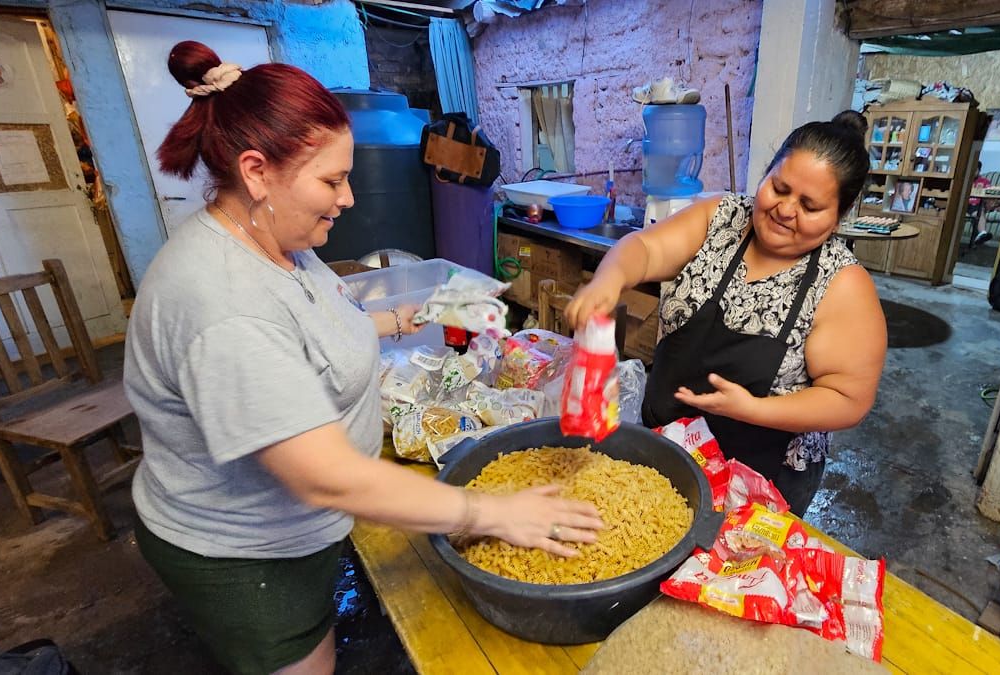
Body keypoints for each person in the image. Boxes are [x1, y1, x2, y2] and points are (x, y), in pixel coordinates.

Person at [124, 42, 604, 675]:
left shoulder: (278, 243)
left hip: (303, 527)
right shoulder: (222, 302)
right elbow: (319, 473)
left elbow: (321, 320)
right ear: (257, 171)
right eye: (331, 180)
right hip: (246, 554)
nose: (347, 199)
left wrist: (415, 316)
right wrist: (491, 511)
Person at [567, 111, 887, 514]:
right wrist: (607, 282)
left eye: (809, 205)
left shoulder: (842, 284)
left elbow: (848, 398)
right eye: (779, 187)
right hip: (666, 447)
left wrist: (753, 409)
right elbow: (644, 249)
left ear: (840, 214)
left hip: (758, 480)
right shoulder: (722, 218)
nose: (785, 210)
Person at [967, 162, 993, 247]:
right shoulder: (965, 180)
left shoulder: (984, 182)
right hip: (964, 204)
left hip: (977, 205)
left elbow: (989, 195)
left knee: (978, 212)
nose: (973, 172)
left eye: (975, 170)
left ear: (979, 170)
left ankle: (982, 233)